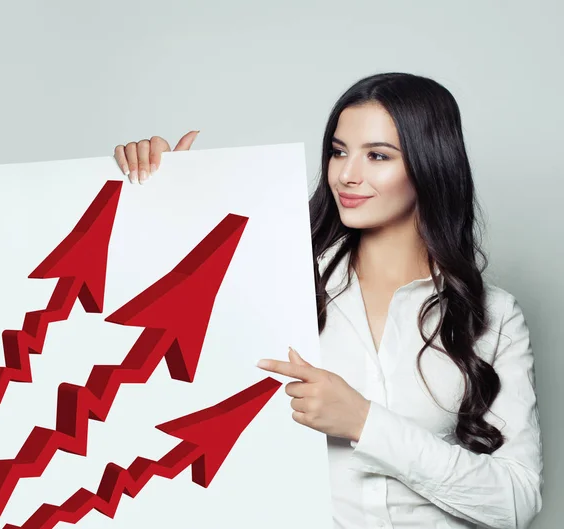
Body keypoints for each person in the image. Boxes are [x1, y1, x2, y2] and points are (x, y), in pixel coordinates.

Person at [113, 72, 543, 529]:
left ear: (431, 163)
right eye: (339, 151)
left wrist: (364, 423)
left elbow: (514, 503)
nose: (347, 175)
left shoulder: (493, 314)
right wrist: (158, 196)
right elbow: (143, 343)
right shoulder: (271, 281)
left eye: (377, 155)